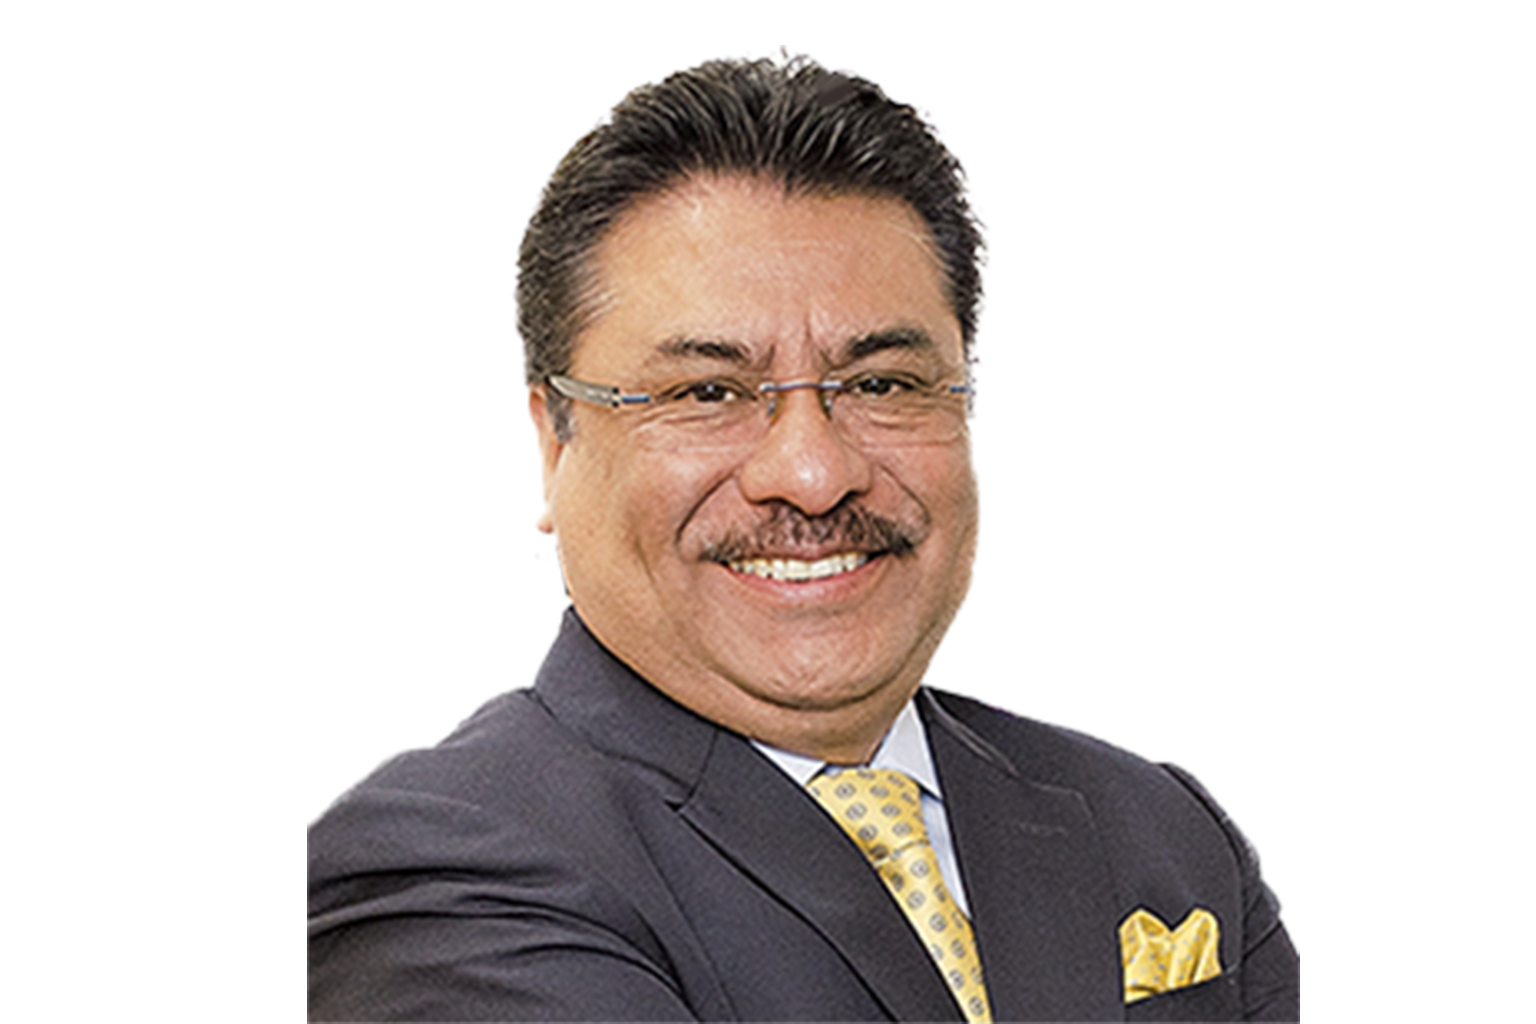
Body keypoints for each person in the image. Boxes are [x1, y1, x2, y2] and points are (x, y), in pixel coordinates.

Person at [308, 58, 1298, 1023]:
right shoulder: (438, 873)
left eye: (881, 384)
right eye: (708, 392)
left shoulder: (1153, 825)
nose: (815, 474)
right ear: (551, 445)